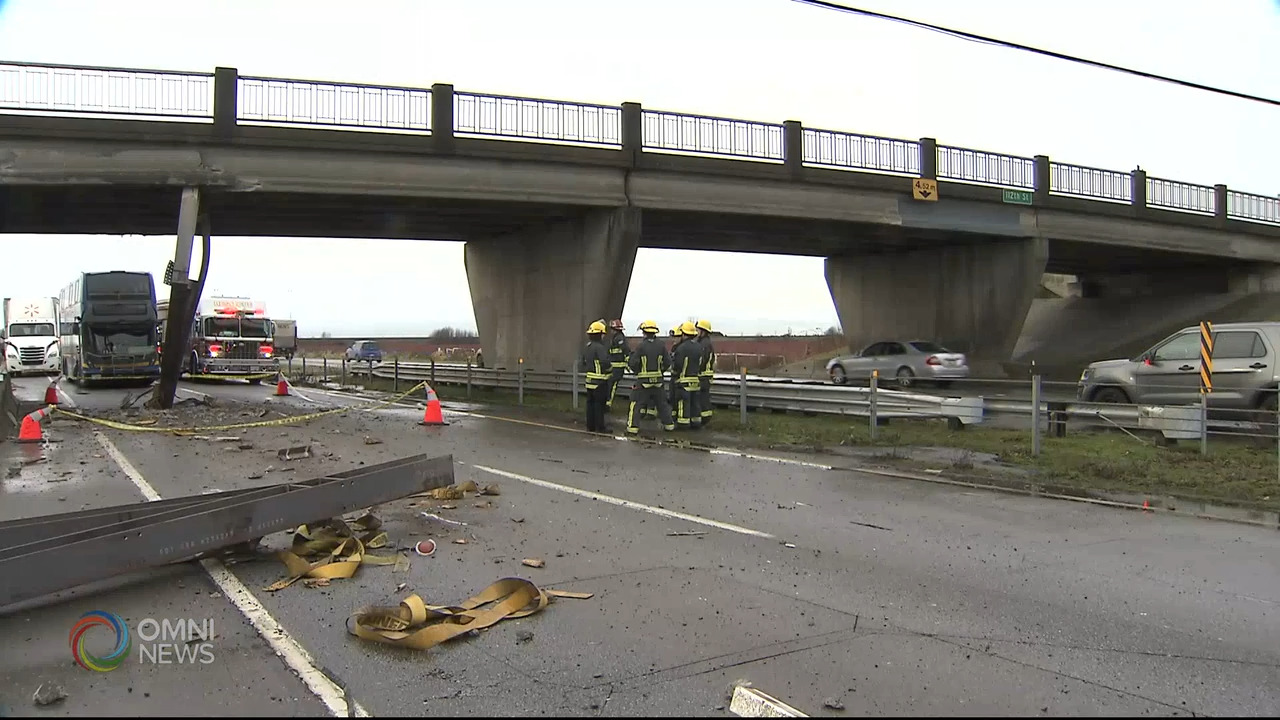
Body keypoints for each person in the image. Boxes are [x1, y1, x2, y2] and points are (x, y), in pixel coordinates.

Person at [626, 320, 675, 434]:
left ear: (644, 332)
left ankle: (632, 428)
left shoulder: (641, 346)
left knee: (636, 403)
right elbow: (668, 362)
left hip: (643, 381)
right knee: (662, 404)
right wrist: (660, 371)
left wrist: (638, 372)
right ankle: (669, 425)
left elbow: (632, 363)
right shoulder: (661, 345)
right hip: (658, 381)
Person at [579, 320, 612, 433]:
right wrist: (610, 370)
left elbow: (583, 363)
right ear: (599, 334)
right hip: (600, 381)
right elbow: (605, 363)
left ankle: (590, 426)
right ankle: (600, 427)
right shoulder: (600, 347)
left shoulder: (587, 347)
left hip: (589, 381)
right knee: (599, 405)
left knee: (590, 404)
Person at [672, 321, 705, 430]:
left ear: (684, 334)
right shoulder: (699, 347)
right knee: (695, 403)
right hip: (696, 381)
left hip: (683, 381)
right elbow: (702, 363)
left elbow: (677, 365)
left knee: (683, 403)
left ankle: (683, 423)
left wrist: (675, 374)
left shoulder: (681, 348)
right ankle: (696, 422)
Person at [604, 319, 630, 410]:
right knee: (609, 385)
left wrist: (627, 364)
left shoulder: (619, 338)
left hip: (618, 367)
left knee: (612, 385)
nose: (611, 331)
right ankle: (607, 403)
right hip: (614, 366)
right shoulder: (615, 338)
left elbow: (626, 351)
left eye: (612, 329)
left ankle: (608, 404)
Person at [695, 319, 716, 427]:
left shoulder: (704, 344)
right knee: (704, 398)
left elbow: (701, 361)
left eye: (698, 330)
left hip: (702, 376)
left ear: (703, 331)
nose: (696, 332)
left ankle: (704, 419)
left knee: (702, 399)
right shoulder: (706, 343)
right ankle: (705, 417)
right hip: (706, 376)